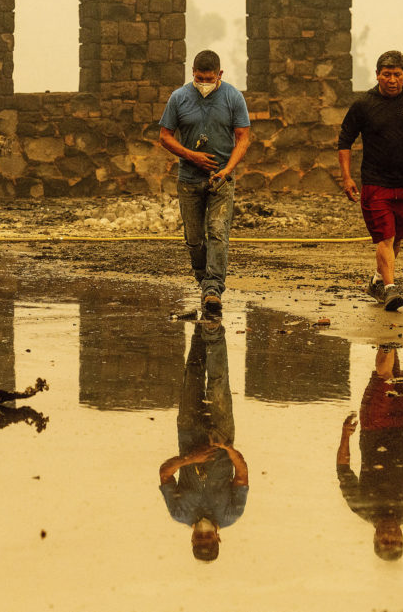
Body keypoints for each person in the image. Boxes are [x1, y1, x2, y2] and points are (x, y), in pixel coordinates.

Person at [337, 50, 403, 311]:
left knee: (398, 238)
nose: (392, 80)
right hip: (375, 182)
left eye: (397, 74)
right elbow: (345, 140)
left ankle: (378, 281)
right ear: (377, 75)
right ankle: (391, 289)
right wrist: (347, 177)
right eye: (386, 74)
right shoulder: (363, 105)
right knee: (385, 237)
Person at [159, 50, 251, 315]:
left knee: (218, 232)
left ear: (219, 75)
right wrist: (191, 156)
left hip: (221, 179)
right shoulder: (179, 98)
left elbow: (243, 138)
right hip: (189, 180)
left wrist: (228, 170)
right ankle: (203, 279)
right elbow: (165, 136)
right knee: (194, 239)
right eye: (199, 78)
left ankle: (213, 289)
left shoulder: (233, 97)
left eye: (209, 78)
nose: (204, 82)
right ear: (192, 74)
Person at [159, 320, 249, 561]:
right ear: (218, 538)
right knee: (219, 382)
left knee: (193, 374)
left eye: (199, 539)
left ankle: (201, 327)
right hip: (222, 434)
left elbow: (165, 474)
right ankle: (214, 331)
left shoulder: (179, 513)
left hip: (188, 431)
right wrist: (227, 447)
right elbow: (242, 474)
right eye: (208, 539)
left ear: (192, 539)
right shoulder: (231, 514)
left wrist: (190, 458)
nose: (204, 536)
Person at [336, 346, 403, 560]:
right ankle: (391, 331)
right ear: (402, 538)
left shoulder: (361, 507)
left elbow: (343, 470)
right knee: (398, 375)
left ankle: (387, 336)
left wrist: (345, 436)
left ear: (375, 539)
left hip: (374, 428)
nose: (391, 535)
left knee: (385, 377)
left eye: (385, 541)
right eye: (396, 541)